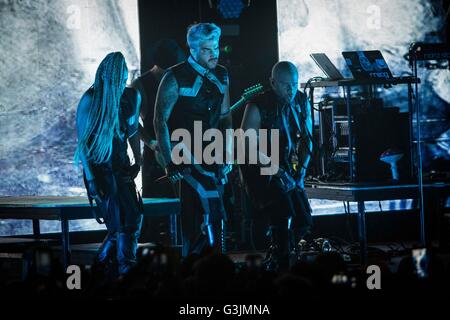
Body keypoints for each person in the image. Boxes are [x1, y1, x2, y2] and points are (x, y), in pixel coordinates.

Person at [153, 23, 232, 257]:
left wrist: (227, 152)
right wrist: (169, 162)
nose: (214, 54)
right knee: (194, 218)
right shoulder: (173, 76)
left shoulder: (222, 74)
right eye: (208, 49)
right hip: (185, 157)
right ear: (194, 49)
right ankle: (193, 274)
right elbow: (160, 122)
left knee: (216, 215)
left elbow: (226, 117)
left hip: (214, 156)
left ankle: (217, 266)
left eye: (216, 48)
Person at [240, 61, 313, 271]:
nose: (291, 90)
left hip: (287, 165)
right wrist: (279, 172)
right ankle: (279, 257)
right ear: (272, 83)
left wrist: (301, 172)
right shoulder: (257, 105)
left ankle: (283, 250)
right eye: (285, 85)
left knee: (304, 217)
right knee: (282, 211)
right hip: (260, 166)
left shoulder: (300, 100)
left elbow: (307, 140)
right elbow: (247, 146)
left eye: (294, 84)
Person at [74, 52, 143, 276]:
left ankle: (108, 268)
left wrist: (138, 158)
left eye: (124, 81)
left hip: (121, 166)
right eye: (118, 82)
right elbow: (83, 145)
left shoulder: (131, 97)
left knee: (130, 219)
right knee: (120, 223)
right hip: (101, 168)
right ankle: (121, 268)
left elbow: (133, 131)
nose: (122, 86)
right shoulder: (91, 99)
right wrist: (92, 180)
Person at [130, 39, 186, 198]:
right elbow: (131, 123)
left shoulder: (181, 81)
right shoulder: (139, 85)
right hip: (157, 157)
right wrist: (151, 142)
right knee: (157, 205)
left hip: (183, 152)